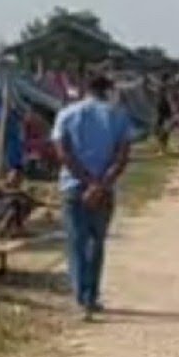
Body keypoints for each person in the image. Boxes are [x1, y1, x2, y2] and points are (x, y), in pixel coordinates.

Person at [52, 72, 142, 320]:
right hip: (105, 190)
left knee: (76, 242)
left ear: (84, 89)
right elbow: (122, 156)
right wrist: (101, 184)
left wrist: (86, 181)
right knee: (97, 242)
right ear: (107, 91)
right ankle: (92, 296)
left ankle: (81, 296)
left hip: (73, 187)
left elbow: (63, 154)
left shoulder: (67, 114)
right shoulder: (118, 116)